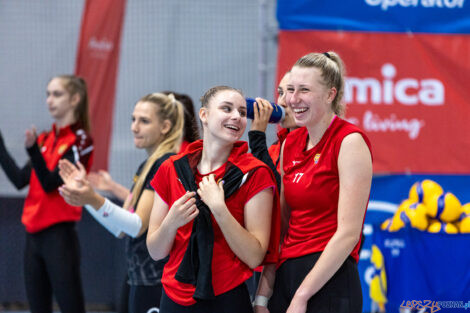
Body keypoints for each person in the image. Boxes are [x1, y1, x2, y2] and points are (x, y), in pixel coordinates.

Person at [254, 52, 373, 313]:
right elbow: (281, 224)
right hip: (287, 275)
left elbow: (348, 234)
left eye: (304, 90)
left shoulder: (350, 141)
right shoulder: (290, 144)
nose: (292, 99)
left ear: (330, 95)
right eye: (290, 90)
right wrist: (264, 291)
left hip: (329, 280)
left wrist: (302, 296)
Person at [146, 85, 281, 313]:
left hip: (226, 298)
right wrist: (171, 222)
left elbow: (255, 256)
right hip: (173, 297)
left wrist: (220, 209)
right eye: (226, 108)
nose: (236, 117)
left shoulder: (254, 173)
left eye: (241, 112)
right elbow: (156, 251)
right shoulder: (173, 168)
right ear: (204, 115)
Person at [57, 93, 185, 313]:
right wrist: (85, 198)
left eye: (144, 121)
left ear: (165, 127)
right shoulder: (148, 165)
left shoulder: (166, 164)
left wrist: (92, 198)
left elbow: (137, 226)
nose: (134, 127)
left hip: (157, 280)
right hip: (140, 277)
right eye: (133, 119)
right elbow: (121, 229)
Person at [0, 75, 93, 313]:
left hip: (59, 238)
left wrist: (32, 152)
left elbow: (51, 183)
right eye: (48, 94)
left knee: (71, 306)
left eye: (57, 94)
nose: (49, 100)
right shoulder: (44, 138)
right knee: (38, 308)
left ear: (75, 99)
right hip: (33, 237)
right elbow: (20, 180)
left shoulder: (80, 140)